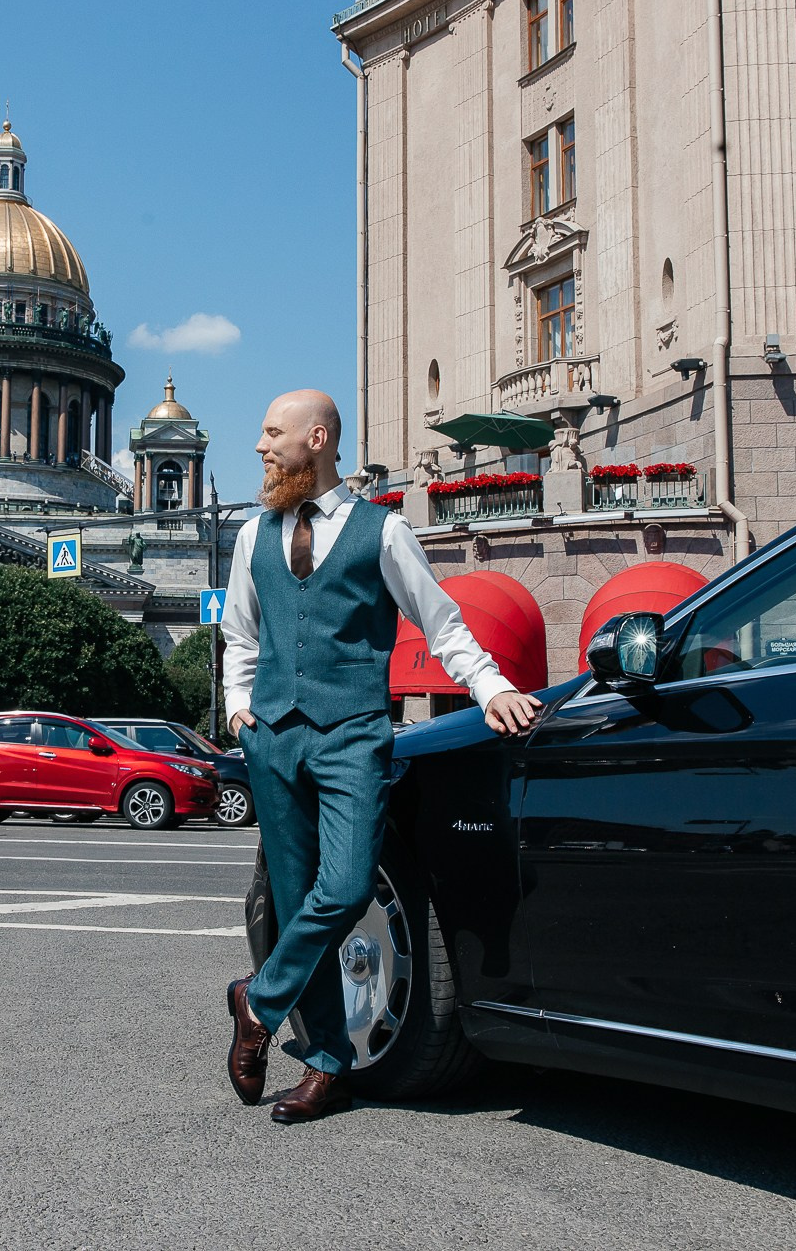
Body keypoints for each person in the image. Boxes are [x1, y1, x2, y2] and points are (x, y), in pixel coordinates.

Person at [220, 389, 541, 1125]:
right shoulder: (252, 535)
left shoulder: (383, 531)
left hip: (352, 735)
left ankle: (257, 999)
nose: (262, 447)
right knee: (301, 900)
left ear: (319, 438)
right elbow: (241, 633)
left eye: (274, 433)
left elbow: (442, 620)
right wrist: (240, 712)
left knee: (349, 883)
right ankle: (328, 1064)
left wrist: (490, 686)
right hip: (272, 738)